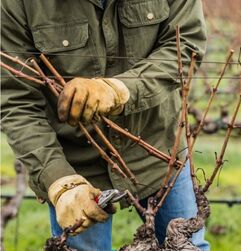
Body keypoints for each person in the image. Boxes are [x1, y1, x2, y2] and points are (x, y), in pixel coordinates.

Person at [1, 0, 209, 250]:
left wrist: (121, 89)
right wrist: (59, 181)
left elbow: (186, 44)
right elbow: (17, 102)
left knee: (188, 246)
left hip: (159, 151)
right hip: (76, 166)